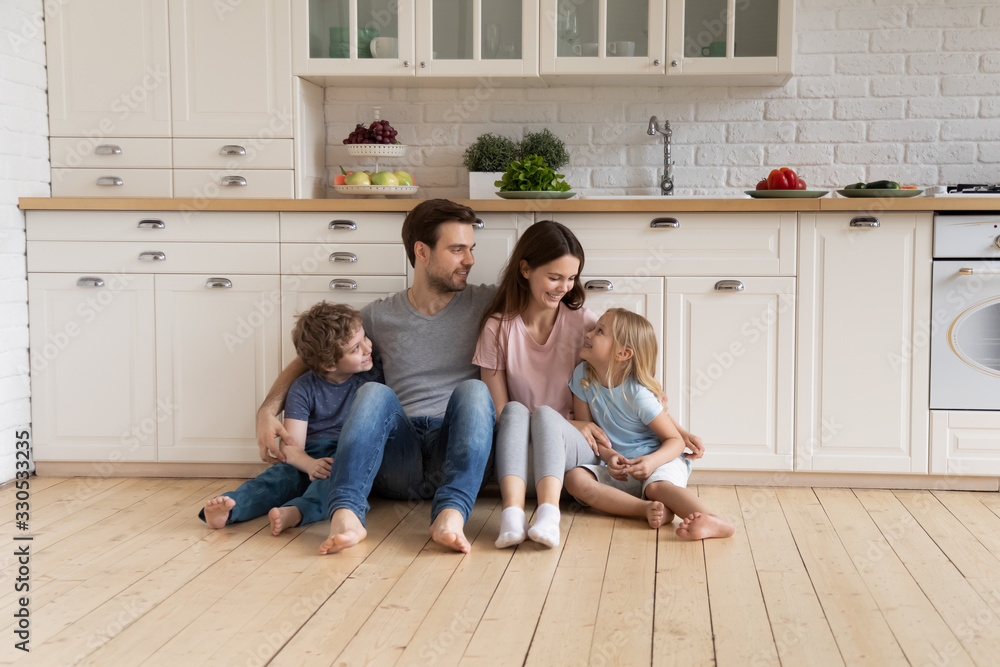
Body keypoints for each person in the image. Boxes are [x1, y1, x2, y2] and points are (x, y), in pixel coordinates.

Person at [255, 199, 497, 555]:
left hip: (456, 452)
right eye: (458, 249)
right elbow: (317, 355)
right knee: (373, 393)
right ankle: (347, 515)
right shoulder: (380, 316)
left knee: (475, 391)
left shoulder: (488, 302)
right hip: (398, 456)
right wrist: (267, 410)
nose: (470, 260)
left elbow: (548, 295)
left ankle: (451, 514)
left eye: (471, 249)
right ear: (422, 251)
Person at [473, 220, 603, 549]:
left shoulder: (585, 324)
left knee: (545, 415)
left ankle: (548, 515)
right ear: (525, 269)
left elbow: (623, 376)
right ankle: (512, 516)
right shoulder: (497, 328)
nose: (564, 287)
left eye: (571, 278)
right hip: (517, 456)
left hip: (572, 452)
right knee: (515, 411)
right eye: (555, 277)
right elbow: (500, 413)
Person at [202, 302, 379, 533]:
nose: (368, 348)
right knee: (275, 480)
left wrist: (320, 467)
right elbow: (291, 447)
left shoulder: (372, 378)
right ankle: (231, 508)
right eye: (356, 348)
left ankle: (296, 512)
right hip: (306, 456)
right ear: (328, 364)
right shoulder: (303, 388)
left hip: (346, 454)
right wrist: (309, 464)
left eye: (365, 338)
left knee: (336, 481)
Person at [563, 308, 735, 540]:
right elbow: (590, 432)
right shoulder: (582, 376)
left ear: (623, 353)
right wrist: (609, 456)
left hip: (661, 460)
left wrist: (652, 462)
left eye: (599, 331)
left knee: (656, 487)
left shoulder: (637, 394)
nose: (588, 334)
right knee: (574, 479)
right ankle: (645, 508)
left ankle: (716, 521)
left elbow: (675, 441)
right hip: (622, 467)